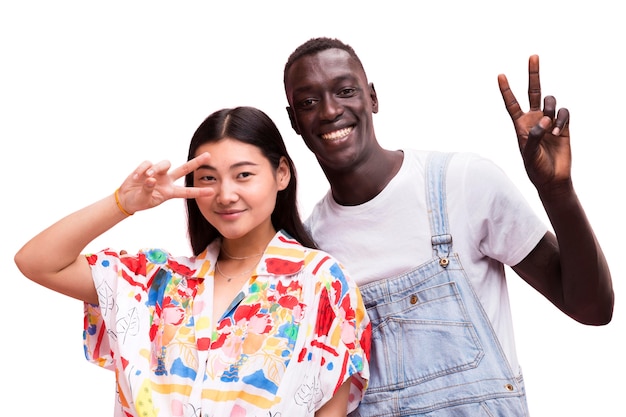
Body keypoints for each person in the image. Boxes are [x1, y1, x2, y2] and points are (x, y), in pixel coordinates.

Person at [282, 37, 614, 416]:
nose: (329, 111)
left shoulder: (461, 183)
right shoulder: (309, 255)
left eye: (345, 91)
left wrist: (557, 191)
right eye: (308, 102)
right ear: (294, 121)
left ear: (372, 98)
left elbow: (593, 308)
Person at [14, 106, 371, 417]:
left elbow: (329, 408)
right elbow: (37, 262)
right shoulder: (155, 282)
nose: (225, 194)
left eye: (243, 174)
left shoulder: (320, 281)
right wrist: (123, 203)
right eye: (208, 179)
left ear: (281, 174)